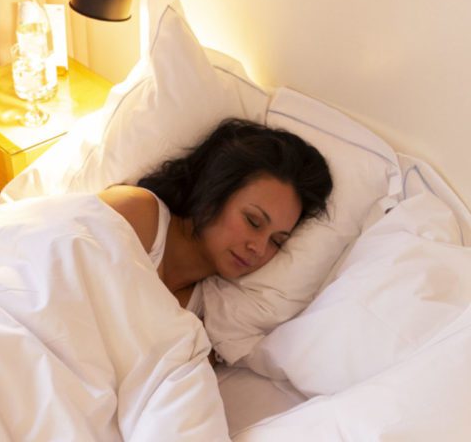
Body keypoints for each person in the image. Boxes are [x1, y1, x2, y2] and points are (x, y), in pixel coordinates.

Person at [98, 118, 333, 313]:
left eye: (276, 241)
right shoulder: (135, 212)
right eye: (253, 221)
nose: (260, 249)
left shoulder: (203, 318)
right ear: (215, 188)